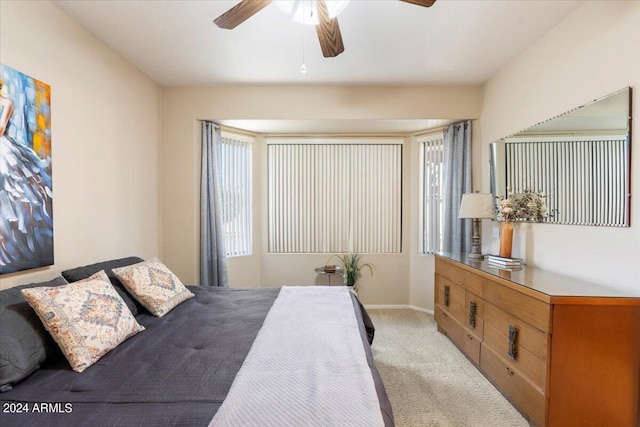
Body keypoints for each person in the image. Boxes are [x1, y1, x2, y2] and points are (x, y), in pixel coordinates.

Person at [0, 80, 54, 273]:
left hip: (4, 148)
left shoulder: (6, 103)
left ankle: (15, 243)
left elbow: (1, 127)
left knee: (15, 194)